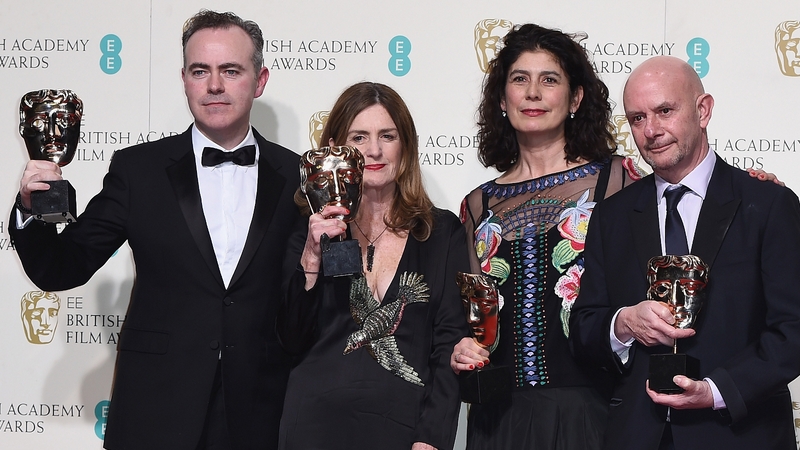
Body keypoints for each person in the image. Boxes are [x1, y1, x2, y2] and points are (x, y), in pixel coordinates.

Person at [10, 10, 301, 450]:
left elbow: (309, 300)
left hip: (263, 410)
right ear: (184, 78)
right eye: (201, 71)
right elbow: (62, 268)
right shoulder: (138, 170)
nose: (215, 85)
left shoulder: (298, 174)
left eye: (231, 70)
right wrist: (30, 210)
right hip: (155, 409)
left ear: (259, 81)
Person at [569, 56, 800, 450]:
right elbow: (585, 327)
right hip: (637, 435)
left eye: (664, 111)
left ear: (703, 110)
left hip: (741, 435)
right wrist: (623, 324)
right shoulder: (612, 216)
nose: (652, 130)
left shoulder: (767, 204)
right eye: (637, 118)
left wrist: (716, 390)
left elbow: (793, 329)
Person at [450, 23, 641, 450]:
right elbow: (465, 319)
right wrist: (462, 347)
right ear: (502, 99)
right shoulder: (477, 205)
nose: (533, 93)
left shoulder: (617, 182)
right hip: (499, 421)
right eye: (520, 79)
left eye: (549, 79)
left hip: (595, 413)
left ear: (575, 99)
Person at [277, 81, 468, 450]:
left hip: (403, 429)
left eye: (388, 135)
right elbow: (290, 338)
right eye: (359, 137)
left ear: (406, 145)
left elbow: (449, 344)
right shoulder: (311, 228)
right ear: (336, 149)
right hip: (313, 427)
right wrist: (312, 256)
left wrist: (432, 437)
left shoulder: (440, 232)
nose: (375, 150)